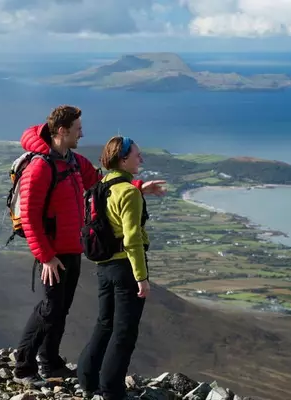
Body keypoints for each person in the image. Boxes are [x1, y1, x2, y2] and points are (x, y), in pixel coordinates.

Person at [13, 106, 165, 384]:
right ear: (62, 130)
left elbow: (101, 184)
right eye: (78, 128)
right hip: (53, 250)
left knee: (61, 307)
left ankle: (50, 362)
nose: (82, 133)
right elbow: (30, 216)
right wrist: (45, 256)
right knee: (50, 307)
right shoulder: (40, 167)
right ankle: (24, 366)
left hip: (72, 247)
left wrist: (138, 187)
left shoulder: (72, 161)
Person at [77, 136, 162, 400]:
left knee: (105, 324)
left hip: (103, 267)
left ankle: (87, 380)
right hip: (125, 268)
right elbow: (132, 239)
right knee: (124, 332)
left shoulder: (101, 186)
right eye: (138, 155)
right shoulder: (128, 193)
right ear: (123, 159)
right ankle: (112, 391)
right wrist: (142, 278)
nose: (142, 159)